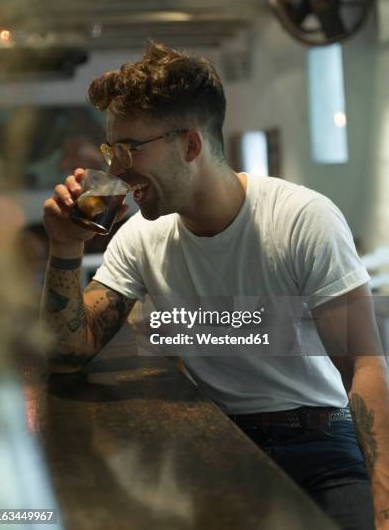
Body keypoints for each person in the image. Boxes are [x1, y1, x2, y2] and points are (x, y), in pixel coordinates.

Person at [42, 42, 388, 530]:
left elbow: (365, 365)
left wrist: (383, 505)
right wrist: (64, 245)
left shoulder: (302, 219)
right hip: (217, 440)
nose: (116, 169)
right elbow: (66, 354)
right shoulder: (141, 236)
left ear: (190, 145)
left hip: (319, 444)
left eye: (130, 149)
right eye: (111, 150)